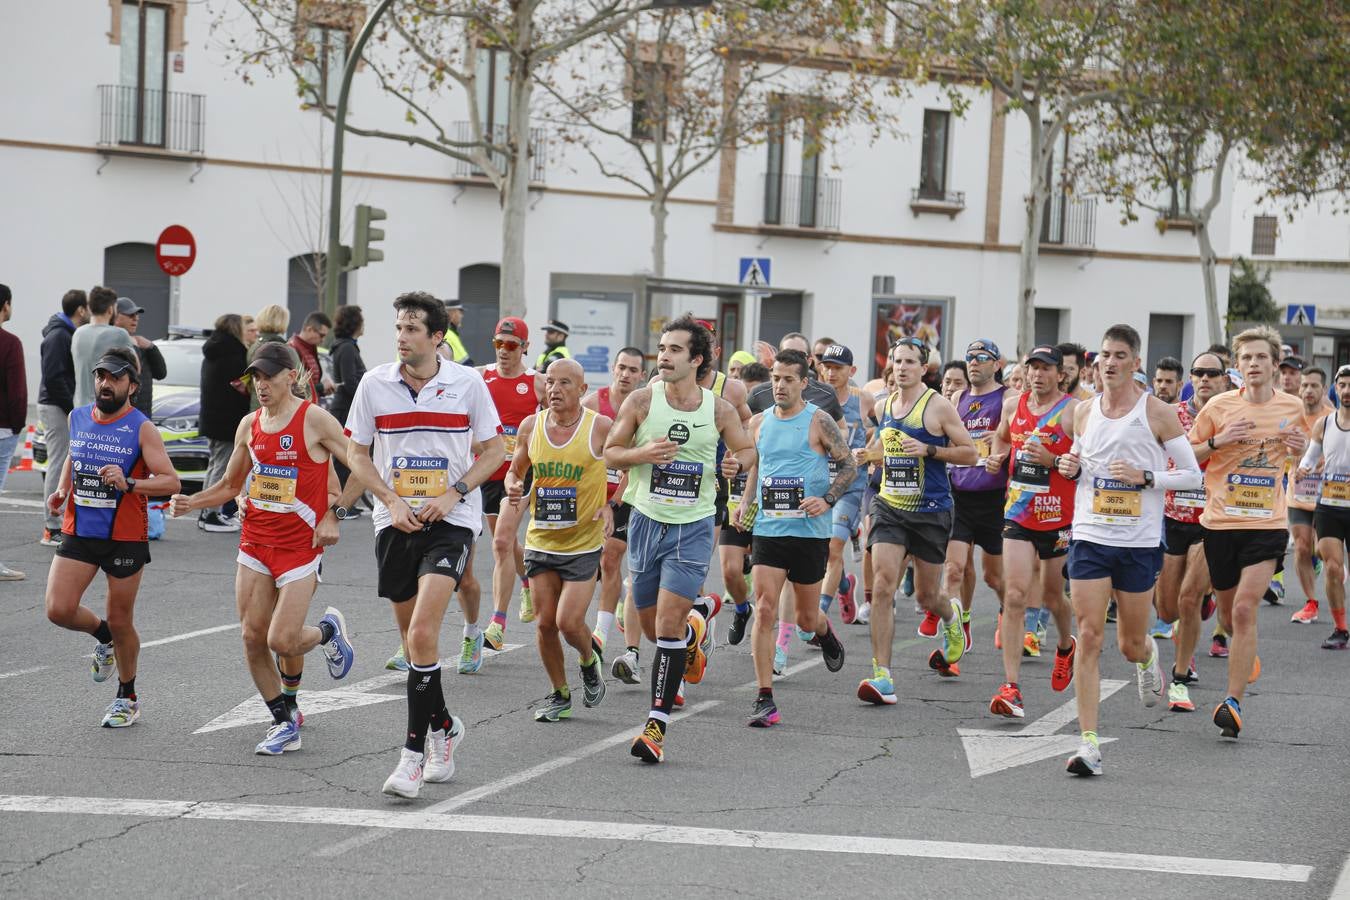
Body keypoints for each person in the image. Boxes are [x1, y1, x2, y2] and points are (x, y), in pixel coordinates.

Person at [344, 292, 504, 798]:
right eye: (398, 327)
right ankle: (444, 725)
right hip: (394, 521)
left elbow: (495, 449)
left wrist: (454, 492)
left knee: (424, 631)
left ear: (437, 337)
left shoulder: (467, 383)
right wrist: (390, 501)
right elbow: (356, 453)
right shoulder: (374, 384)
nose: (401, 336)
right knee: (416, 644)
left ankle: (413, 756)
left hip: (451, 520)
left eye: (412, 328)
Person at [169, 341, 355, 754]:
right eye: (256, 377)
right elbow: (231, 484)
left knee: (283, 640)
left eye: (269, 376)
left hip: (300, 547)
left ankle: (327, 632)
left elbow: (359, 462)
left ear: (291, 376)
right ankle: (283, 720)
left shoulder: (315, 420)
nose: (262, 384)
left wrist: (334, 515)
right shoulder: (249, 424)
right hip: (254, 543)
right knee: (253, 637)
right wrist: (190, 501)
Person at [604, 316, 755, 763]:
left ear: (697, 359)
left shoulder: (719, 410)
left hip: (692, 527)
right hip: (647, 522)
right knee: (653, 629)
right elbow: (610, 452)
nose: (663, 356)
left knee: (665, 629)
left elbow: (747, 450)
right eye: (662, 348)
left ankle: (656, 726)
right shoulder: (641, 401)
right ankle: (697, 624)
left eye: (674, 350)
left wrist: (736, 465)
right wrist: (642, 454)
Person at [1057, 325, 1201, 776]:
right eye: (1104, 355)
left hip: (1138, 543)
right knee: (1090, 635)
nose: (1110, 362)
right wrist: (1069, 465)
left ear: (1135, 362)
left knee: (1130, 643)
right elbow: (1081, 462)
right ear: (1094, 362)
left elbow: (1193, 476)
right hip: (1090, 536)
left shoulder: (1156, 412)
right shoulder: (1083, 412)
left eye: (1120, 355)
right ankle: (1089, 744)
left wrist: (1146, 478)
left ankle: (1149, 659)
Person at [43, 348, 180, 726]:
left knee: (122, 620)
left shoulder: (141, 427)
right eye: (101, 376)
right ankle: (102, 637)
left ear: (132, 386)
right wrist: (61, 489)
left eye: (115, 377)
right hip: (80, 529)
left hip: (124, 537)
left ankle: (127, 697)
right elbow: (74, 455)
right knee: (58, 609)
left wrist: (130, 482)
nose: (105, 383)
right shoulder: (78, 417)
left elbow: (171, 481)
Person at [1186, 325, 1306, 740]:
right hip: (1220, 523)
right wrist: (1218, 441)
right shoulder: (1218, 406)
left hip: (1267, 524)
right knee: (1226, 614)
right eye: (1246, 358)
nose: (1253, 364)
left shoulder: (1291, 405)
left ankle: (1232, 702)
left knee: (1243, 609)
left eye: (1261, 358)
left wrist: (1299, 447)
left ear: (1275, 365)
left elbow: (1302, 452)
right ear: (1238, 366)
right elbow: (1188, 455)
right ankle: (1243, 652)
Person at [854, 337, 977, 704]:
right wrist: (870, 455)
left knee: (926, 596)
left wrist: (930, 449)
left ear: (925, 368)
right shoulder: (884, 405)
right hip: (890, 506)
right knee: (883, 584)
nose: (902, 367)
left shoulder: (938, 407)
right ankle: (882, 676)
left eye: (910, 361)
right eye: (897, 361)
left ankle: (951, 617)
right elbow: (889, 449)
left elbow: (970, 453)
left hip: (931, 511)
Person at [737, 349, 851, 726]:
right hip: (770, 529)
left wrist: (827, 499)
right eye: (775, 377)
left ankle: (824, 631)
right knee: (765, 608)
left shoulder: (819, 421)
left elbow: (848, 465)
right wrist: (745, 504)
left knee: (804, 619)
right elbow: (758, 467)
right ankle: (764, 696)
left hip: (810, 532)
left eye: (788, 379)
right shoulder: (758, 422)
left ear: (805, 382)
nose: (779, 385)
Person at [505, 359, 613, 721]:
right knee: (545, 624)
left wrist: (612, 504)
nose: (554, 389)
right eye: (550, 382)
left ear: (582, 390)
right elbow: (515, 469)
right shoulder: (530, 426)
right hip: (541, 541)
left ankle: (587, 659)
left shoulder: (599, 427)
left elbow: (629, 468)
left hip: (583, 543)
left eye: (565, 383)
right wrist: (513, 485)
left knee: (569, 622)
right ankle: (559, 694)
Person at [985, 345, 1078, 717]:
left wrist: (1054, 461)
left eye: (1046, 369)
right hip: (1019, 513)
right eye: (1033, 368)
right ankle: (1011, 686)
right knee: (1017, 594)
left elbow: (1085, 458)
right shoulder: (1013, 405)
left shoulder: (1073, 411)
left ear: (1060, 374)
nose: (1038, 375)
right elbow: (1003, 436)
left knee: (1054, 597)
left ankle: (1065, 646)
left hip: (1057, 516)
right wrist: (998, 455)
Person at [1154, 353, 1226, 713]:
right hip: (1172, 516)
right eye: (1198, 372)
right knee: (1166, 610)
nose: (1204, 378)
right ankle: (1204, 601)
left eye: (1212, 373)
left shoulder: (1232, 414)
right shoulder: (1172, 415)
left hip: (1212, 519)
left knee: (1187, 598)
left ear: (1225, 379)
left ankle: (1180, 679)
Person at [471, 317, 544, 663]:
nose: (504, 351)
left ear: (525, 348)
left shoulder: (537, 384)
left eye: (512, 345)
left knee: (501, 541)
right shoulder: (479, 378)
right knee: (506, 540)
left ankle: (497, 626)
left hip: (519, 474)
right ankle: (526, 581)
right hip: (485, 470)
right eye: (499, 344)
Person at [941, 338, 1008, 651]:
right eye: (970, 357)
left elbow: (1021, 436)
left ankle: (1011, 613)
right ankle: (956, 630)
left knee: (994, 577)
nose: (974, 362)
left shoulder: (1009, 397)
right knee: (953, 569)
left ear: (996, 364)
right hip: (960, 494)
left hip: (994, 499)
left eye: (982, 357)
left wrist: (1003, 445)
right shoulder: (957, 397)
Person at [583, 347, 645, 681]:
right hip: (593, 494)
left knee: (610, 558)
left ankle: (600, 635)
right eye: (621, 368)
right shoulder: (593, 403)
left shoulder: (643, 409)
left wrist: (615, 501)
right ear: (613, 369)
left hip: (625, 495)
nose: (625, 374)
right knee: (598, 564)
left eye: (632, 370)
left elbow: (635, 463)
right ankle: (621, 599)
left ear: (641, 376)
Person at [816, 344, 873, 625]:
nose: (830, 372)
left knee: (833, 548)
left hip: (850, 486)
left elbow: (885, 429)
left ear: (852, 371)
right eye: (826, 366)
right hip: (817, 486)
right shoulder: (812, 400)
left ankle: (820, 616)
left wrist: (870, 451)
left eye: (837, 367)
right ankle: (844, 587)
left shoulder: (863, 400)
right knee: (822, 552)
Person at [1298, 364, 1350, 650]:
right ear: (1336, 388)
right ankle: (1340, 629)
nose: (1347, 390)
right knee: (1332, 567)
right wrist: (1304, 469)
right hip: (1329, 504)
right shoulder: (1325, 423)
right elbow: (1310, 456)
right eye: (1342, 384)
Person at [39, 289, 91, 546]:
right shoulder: (59, 335)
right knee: (59, 464)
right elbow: (53, 377)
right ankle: (52, 527)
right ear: (81, 309)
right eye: (88, 308)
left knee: (64, 463)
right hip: (56, 407)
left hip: (59, 405)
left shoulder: (64, 333)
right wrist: (72, 407)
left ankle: (60, 522)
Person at [1288, 366, 1333, 625]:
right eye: (1304, 385)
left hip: (1329, 496)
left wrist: (1325, 460)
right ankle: (1311, 603)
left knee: (1322, 548)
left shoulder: (1334, 419)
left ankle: (1330, 559)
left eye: (1314, 386)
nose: (1307, 390)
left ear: (1323, 390)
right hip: (1298, 494)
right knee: (1303, 547)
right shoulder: (1289, 416)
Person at [198, 314, 251, 532]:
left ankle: (206, 511)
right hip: (227, 420)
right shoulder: (234, 354)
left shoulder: (212, 351)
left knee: (214, 465)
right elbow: (240, 388)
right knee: (221, 468)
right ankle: (211, 514)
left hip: (212, 418)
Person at [0, 285, 27, 579]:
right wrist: (17, 425)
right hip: (3, 429)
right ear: (5, 305)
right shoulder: (10, 343)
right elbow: (18, 393)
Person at [71, 286, 135, 410]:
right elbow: (136, 369)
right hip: (104, 408)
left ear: (89, 308)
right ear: (111, 309)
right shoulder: (120, 334)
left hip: (79, 407)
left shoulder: (77, 333)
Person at [327, 304, 367, 498]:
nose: (364, 324)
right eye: (361, 320)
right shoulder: (347, 348)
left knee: (346, 455)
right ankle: (342, 499)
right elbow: (350, 382)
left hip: (344, 407)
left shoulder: (345, 347)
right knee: (346, 456)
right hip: (345, 408)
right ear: (354, 323)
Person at [113, 297, 166, 419]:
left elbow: (161, 373)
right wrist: (134, 347)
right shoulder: (112, 345)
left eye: (136, 315)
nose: (135, 318)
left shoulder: (141, 345)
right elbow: (135, 374)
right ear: (115, 316)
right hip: (123, 418)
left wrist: (152, 347)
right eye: (130, 314)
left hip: (143, 416)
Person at [288, 312, 333, 404]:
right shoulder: (292, 348)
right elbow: (293, 387)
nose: (323, 340)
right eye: (321, 335)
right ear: (309, 329)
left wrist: (322, 390)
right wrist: (321, 387)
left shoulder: (310, 348)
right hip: (299, 407)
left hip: (309, 405)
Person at [439, 300, 472, 365]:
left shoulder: (450, 333)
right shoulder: (447, 334)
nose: (462, 316)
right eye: (461, 312)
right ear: (453, 313)